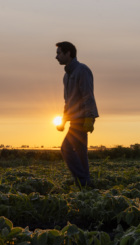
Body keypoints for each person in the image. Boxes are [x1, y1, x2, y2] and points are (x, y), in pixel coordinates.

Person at [55, 41, 99, 188]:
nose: (56, 57)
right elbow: (68, 102)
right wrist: (63, 120)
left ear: (68, 53)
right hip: (74, 120)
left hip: (82, 119)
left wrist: (90, 117)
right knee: (80, 153)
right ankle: (86, 184)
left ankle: (83, 181)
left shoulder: (82, 70)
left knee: (66, 149)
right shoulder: (66, 77)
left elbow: (88, 95)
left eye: (59, 53)